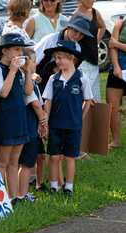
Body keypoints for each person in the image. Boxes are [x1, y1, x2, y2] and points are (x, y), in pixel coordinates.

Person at [34, 14, 93, 190]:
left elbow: (74, 74)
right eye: (75, 30)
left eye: (81, 34)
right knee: (41, 137)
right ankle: (37, 178)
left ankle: (62, 184)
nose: (77, 35)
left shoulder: (75, 49)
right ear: (68, 27)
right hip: (41, 82)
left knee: (64, 154)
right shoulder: (50, 40)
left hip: (62, 87)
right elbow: (34, 59)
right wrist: (32, 77)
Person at [0, 33, 35, 206]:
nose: (19, 52)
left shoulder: (19, 71)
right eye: (16, 49)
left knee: (14, 161)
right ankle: (1, 200)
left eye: (21, 49)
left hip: (20, 118)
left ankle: (14, 197)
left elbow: (28, 92)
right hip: (5, 119)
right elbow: (3, 92)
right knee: (3, 162)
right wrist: (13, 71)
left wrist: (28, 72)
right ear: (5, 51)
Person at [18, 48, 47, 202]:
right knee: (26, 164)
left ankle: (21, 193)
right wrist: (44, 121)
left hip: (30, 126)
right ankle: (21, 195)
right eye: (34, 61)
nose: (36, 64)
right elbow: (35, 104)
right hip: (29, 127)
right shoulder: (25, 81)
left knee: (26, 163)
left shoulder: (27, 78)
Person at [74, 0, 106, 102]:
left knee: (95, 97)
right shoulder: (75, 16)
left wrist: (96, 41)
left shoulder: (95, 12)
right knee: (84, 97)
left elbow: (102, 27)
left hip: (94, 60)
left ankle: (93, 117)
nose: (92, 0)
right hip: (82, 62)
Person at [106, 18, 126, 148]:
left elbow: (114, 44)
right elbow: (111, 47)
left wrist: (117, 44)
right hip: (118, 70)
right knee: (112, 107)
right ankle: (116, 141)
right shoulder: (120, 24)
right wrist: (116, 67)